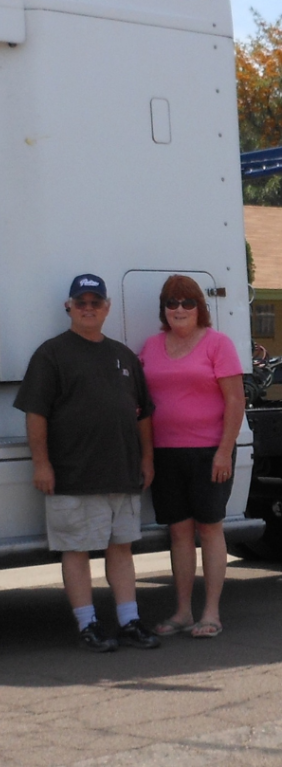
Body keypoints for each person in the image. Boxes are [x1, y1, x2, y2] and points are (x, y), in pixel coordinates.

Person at [14, 274, 159, 652]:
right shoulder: (51, 354)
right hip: (72, 473)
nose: (89, 308)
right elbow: (35, 414)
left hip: (122, 472)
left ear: (107, 308)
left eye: (96, 302)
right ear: (69, 307)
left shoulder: (123, 356)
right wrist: (41, 464)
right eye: (82, 302)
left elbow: (143, 414)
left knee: (121, 548)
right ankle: (87, 624)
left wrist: (147, 459)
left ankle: (129, 621)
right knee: (75, 550)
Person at [139, 274, 244, 639]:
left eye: (187, 303)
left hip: (209, 453)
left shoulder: (218, 344)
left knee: (210, 529)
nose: (179, 309)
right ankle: (182, 611)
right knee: (179, 533)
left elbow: (235, 399)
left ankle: (210, 612)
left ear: (200, 308)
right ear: (163, 310)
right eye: (172, 303)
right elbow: (142, 406)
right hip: (166, 453)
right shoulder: (150, 347)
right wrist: (147, 457)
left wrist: (225, 451)